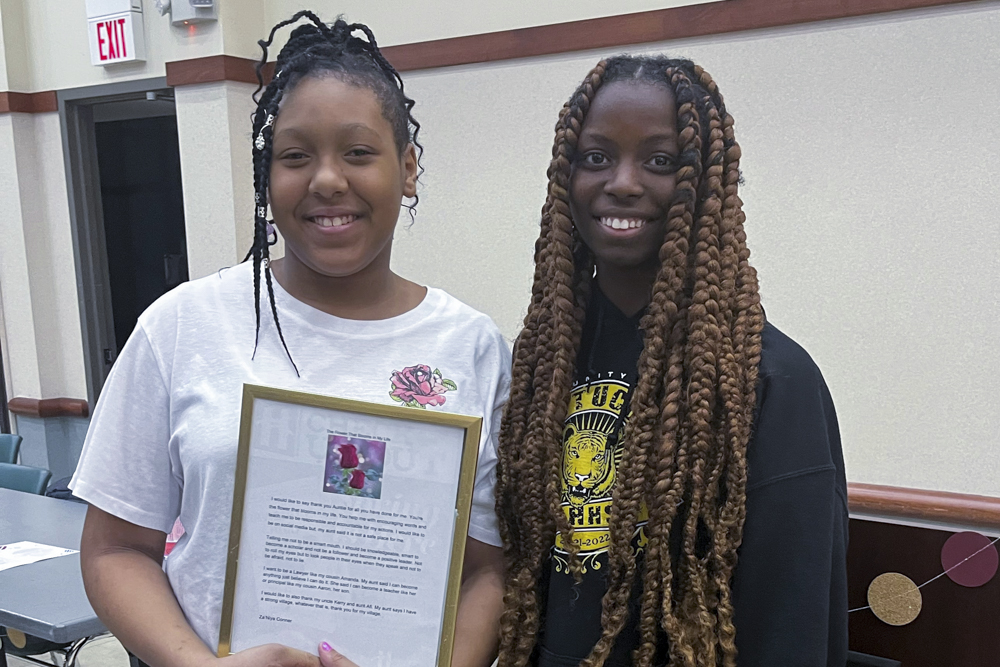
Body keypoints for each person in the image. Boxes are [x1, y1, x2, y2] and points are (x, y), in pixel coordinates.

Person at [71, 12, 507, 667]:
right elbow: (113, 549)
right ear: (266, 177)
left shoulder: (471, 346)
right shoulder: (182, 327)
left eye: (358, 152)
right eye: (295, 155)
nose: (327, 179)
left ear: (408, 168)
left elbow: (487, 568)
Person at [494, 55, 848, 667]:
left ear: (706, 181)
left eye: (660, 161)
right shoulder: (541, 367)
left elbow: (790, 622)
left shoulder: (771, 380)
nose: (623, 182)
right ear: (564, 176)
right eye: (596, 157)